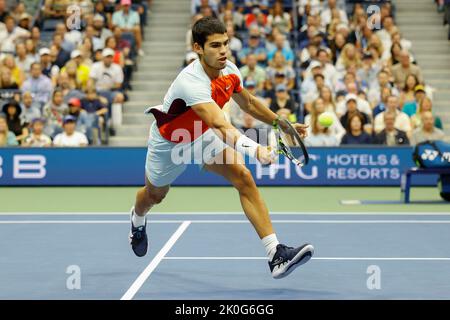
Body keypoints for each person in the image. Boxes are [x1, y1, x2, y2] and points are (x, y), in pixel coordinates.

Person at [130, 17, 314, 279]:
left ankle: (275, 254)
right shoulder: (190, 81)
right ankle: (137, 220)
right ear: (198, 48)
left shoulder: (230, 70)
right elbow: (219, 124)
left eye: (225, 43)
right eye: (215, 45)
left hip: (202, 135)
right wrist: (256, 150)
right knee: (154, 195)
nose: (223, 51)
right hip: (171, 143)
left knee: (243, 177)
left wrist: (280, 124)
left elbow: (248, 103)